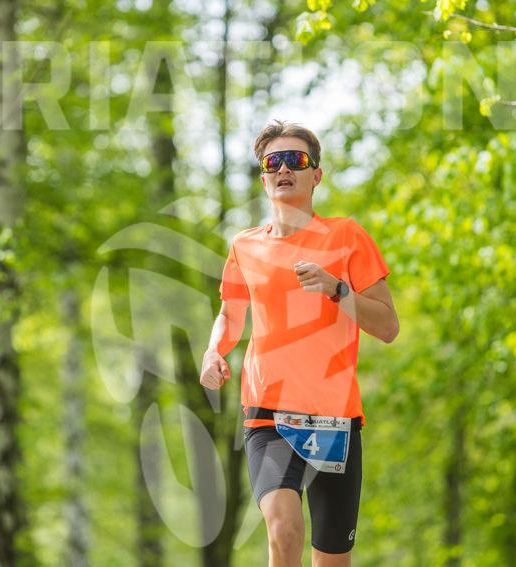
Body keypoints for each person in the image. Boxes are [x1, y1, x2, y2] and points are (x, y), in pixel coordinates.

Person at [199, 120, 399, 567]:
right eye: (273, 162)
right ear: (263, 178)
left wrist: (337, 289)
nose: (284, 169)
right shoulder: (244, 246)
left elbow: (388, 326)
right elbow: (230, 315)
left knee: (331, 559)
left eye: (296, 160)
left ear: (316, 175)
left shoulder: (346, 236)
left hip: (335, 420)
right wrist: (213, 351)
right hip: (268, 414)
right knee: (284, 528)